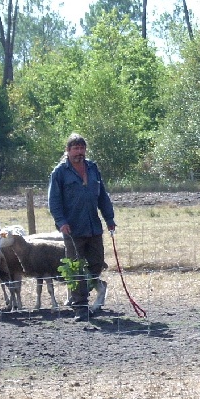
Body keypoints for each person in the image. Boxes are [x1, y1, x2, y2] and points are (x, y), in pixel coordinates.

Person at [48, 133, 116, 321]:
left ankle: (82, 293)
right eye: (75, 148)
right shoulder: (59, 172)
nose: (79, 152)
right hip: (73, 229)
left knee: (96, 262)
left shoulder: (93, 168)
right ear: (68, 151)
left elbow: (102, 195)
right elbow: (53, 201)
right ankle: (80, 307)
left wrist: (109, 218)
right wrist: (61, 222)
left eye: (81, 148)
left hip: (93, 226)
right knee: (75, 267)